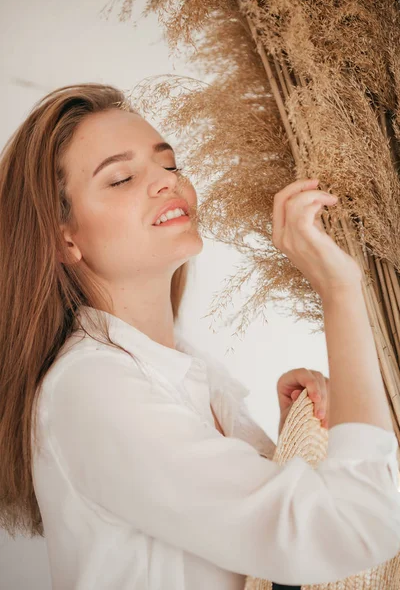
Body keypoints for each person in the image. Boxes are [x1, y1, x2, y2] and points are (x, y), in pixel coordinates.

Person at [0, 82, 399, 590]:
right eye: (121, 178)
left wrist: (285, 453)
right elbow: (350, 528)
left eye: (169, 165)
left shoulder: (192, 374)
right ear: (65, 238)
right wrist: (342, 291)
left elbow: (261, 554)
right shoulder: (93, 390)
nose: (167, 183)